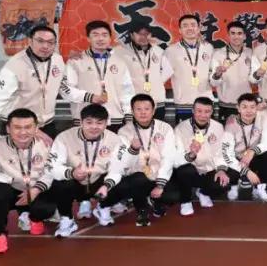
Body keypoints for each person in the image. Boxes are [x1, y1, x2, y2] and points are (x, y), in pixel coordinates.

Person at [46, 103, 138, 236]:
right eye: (89, 122)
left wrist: (107, 185)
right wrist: (72, 173)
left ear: (106, 123)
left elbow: (118, 168)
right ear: (81, 122)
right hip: (76, 182)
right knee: (59, 181)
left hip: (99, 184)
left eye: (99, 123)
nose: (94, 127)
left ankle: (103, 207)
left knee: (130, 180)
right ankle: (67, 219)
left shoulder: (115, 140)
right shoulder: (64, 137)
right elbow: (53, 166)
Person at [0, 108, 57, 251]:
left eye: (28, 127)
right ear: (8, 129)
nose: (23, 132)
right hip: (11, 191)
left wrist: (36, 189)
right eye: (17, 127)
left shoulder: (46, 146)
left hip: (36, 190)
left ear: (36, 128)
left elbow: (52, 172)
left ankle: (34, 217)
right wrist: (12, 179)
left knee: (47, 207)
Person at [0, 24, 71, 138]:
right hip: (18, 126)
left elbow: (66, 89)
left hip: (47, 125)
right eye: (40, 41)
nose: (45, 46)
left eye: (50, 42)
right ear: (30, 41)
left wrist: (88, 96)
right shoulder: (14, 65)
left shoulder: (58, 60)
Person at [171, 96, 239, 216]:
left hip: (209, 169)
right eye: (199, 111)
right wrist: (191, 154)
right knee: (184, 170)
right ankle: (185, 201)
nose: (203, 115)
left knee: (232, 174)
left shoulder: (218, 127)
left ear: (212, 112)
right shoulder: (181, 128)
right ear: (193, 110)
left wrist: (221, 169)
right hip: (191, 170)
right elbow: (176, 159)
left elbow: (221, 152)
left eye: (207, 111)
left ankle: (203, 192)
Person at [117, 94, 179, 224]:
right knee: (137, 179)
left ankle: (156, 201)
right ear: (132, 111)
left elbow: (168, 157)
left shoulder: (165, 128)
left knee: (174, 196)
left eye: (146, 109)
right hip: (138, 175)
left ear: (153, 110)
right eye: (138, 109)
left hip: (159, 173)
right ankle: (142, 209)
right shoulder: (124, 132)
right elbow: (123, 162)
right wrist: (133, 149)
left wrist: (160, 184)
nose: (143, 112)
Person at [65, 21, 135, 129]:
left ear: (110, 38)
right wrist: (89, 97)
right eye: (95, 35)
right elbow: (66, 89)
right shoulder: (76, 61)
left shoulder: (119, 62)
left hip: (115, 119)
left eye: (104, 35)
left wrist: (129, 117)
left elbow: (127, 91)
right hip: (87, 120)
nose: (100, 39)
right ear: (88, 38)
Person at [224, 93, 267, 203]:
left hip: (254, 156)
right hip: (237, 158)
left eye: (252, 107)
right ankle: (234, 186)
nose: (248, 111)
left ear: (257, 107)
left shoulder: (263, 119)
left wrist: (252, 151)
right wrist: (247, 171)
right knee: (227, 162)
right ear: (238, 108)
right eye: (244, 107)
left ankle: (260, 187)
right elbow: (226, 153)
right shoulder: (231, 122)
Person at [113, 23, 172, 121]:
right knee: (134, 130)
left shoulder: (158, 50)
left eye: (146, 34)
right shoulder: (120, 52)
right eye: (139, 34)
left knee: (157, 129)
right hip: (134, 102)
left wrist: (156, 82)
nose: (143, 37)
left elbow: (168, 70)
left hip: (157, 102)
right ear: (132, 35)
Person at [163, 14, 215, 124]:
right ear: (180, 30)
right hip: (183, 104)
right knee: (184, 133)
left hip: (206, 104)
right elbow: (162, 76)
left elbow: (213, 75)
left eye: (193, 25)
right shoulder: (171, 51)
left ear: (199, 28)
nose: (189, 28)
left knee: (208, 133)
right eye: (185, 26)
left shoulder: (209, 48)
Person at [210, 21, 254, 122]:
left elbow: (255, 80)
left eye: (239, 33)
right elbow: (213, 82)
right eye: (233, 33)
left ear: (244, 36)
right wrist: (218, 73)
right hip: (226, 105)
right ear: (228, 36)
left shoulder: (250, 53)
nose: (236, 36)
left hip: (246, 105)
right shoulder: (218, 54)